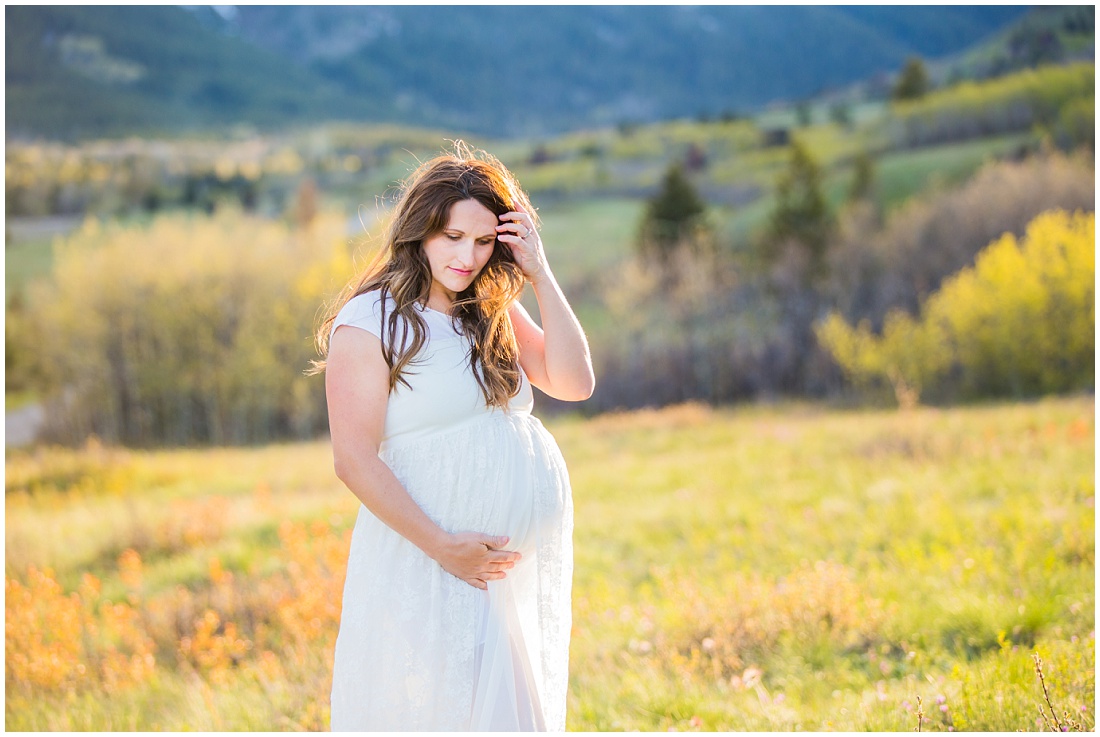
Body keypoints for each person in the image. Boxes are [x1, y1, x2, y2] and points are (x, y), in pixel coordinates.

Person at [315, 144, 594, 731]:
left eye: (484, 241)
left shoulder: (489, 309)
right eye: (452, 237)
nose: (468, 256)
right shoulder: (370, 322)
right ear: (420, 231)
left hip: (503, 572)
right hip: (435, 560)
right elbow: (353, 459)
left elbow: (574, 381)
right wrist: (444, 547)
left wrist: (538, 271)